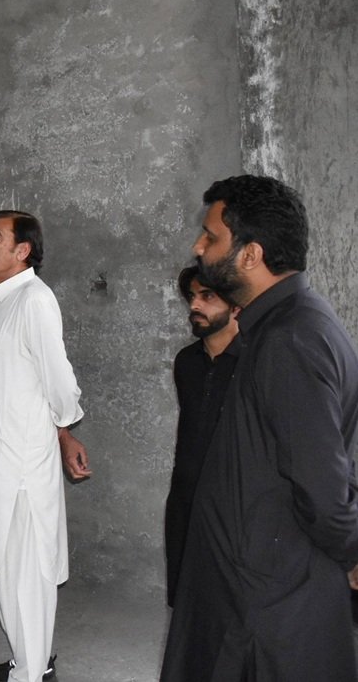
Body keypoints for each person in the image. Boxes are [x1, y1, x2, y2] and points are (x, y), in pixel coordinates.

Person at [161, 175, 358, 681]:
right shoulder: (278, 325)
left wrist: (353, 553)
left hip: (266, 604)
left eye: (210, 237)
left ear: (250, 254)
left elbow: (321, 483)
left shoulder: (290, 339)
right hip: (250, 585)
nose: (198, 247)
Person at [0, 209, 92, 682]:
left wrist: (66, 427)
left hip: (20, 470)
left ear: (22, 250)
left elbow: (59, 382)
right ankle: (26, 663)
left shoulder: (33, 300)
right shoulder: (0, 301)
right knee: (7, 572)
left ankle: (31, 675)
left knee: (27, 575)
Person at [163, 266, 239, 608]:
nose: (195, 305)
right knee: (187, 605)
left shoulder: (255, 362)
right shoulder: (186, 362)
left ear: (236, 305)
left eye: (208, 296)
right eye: (192, 297)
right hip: (186, 501)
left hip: (235, 508)